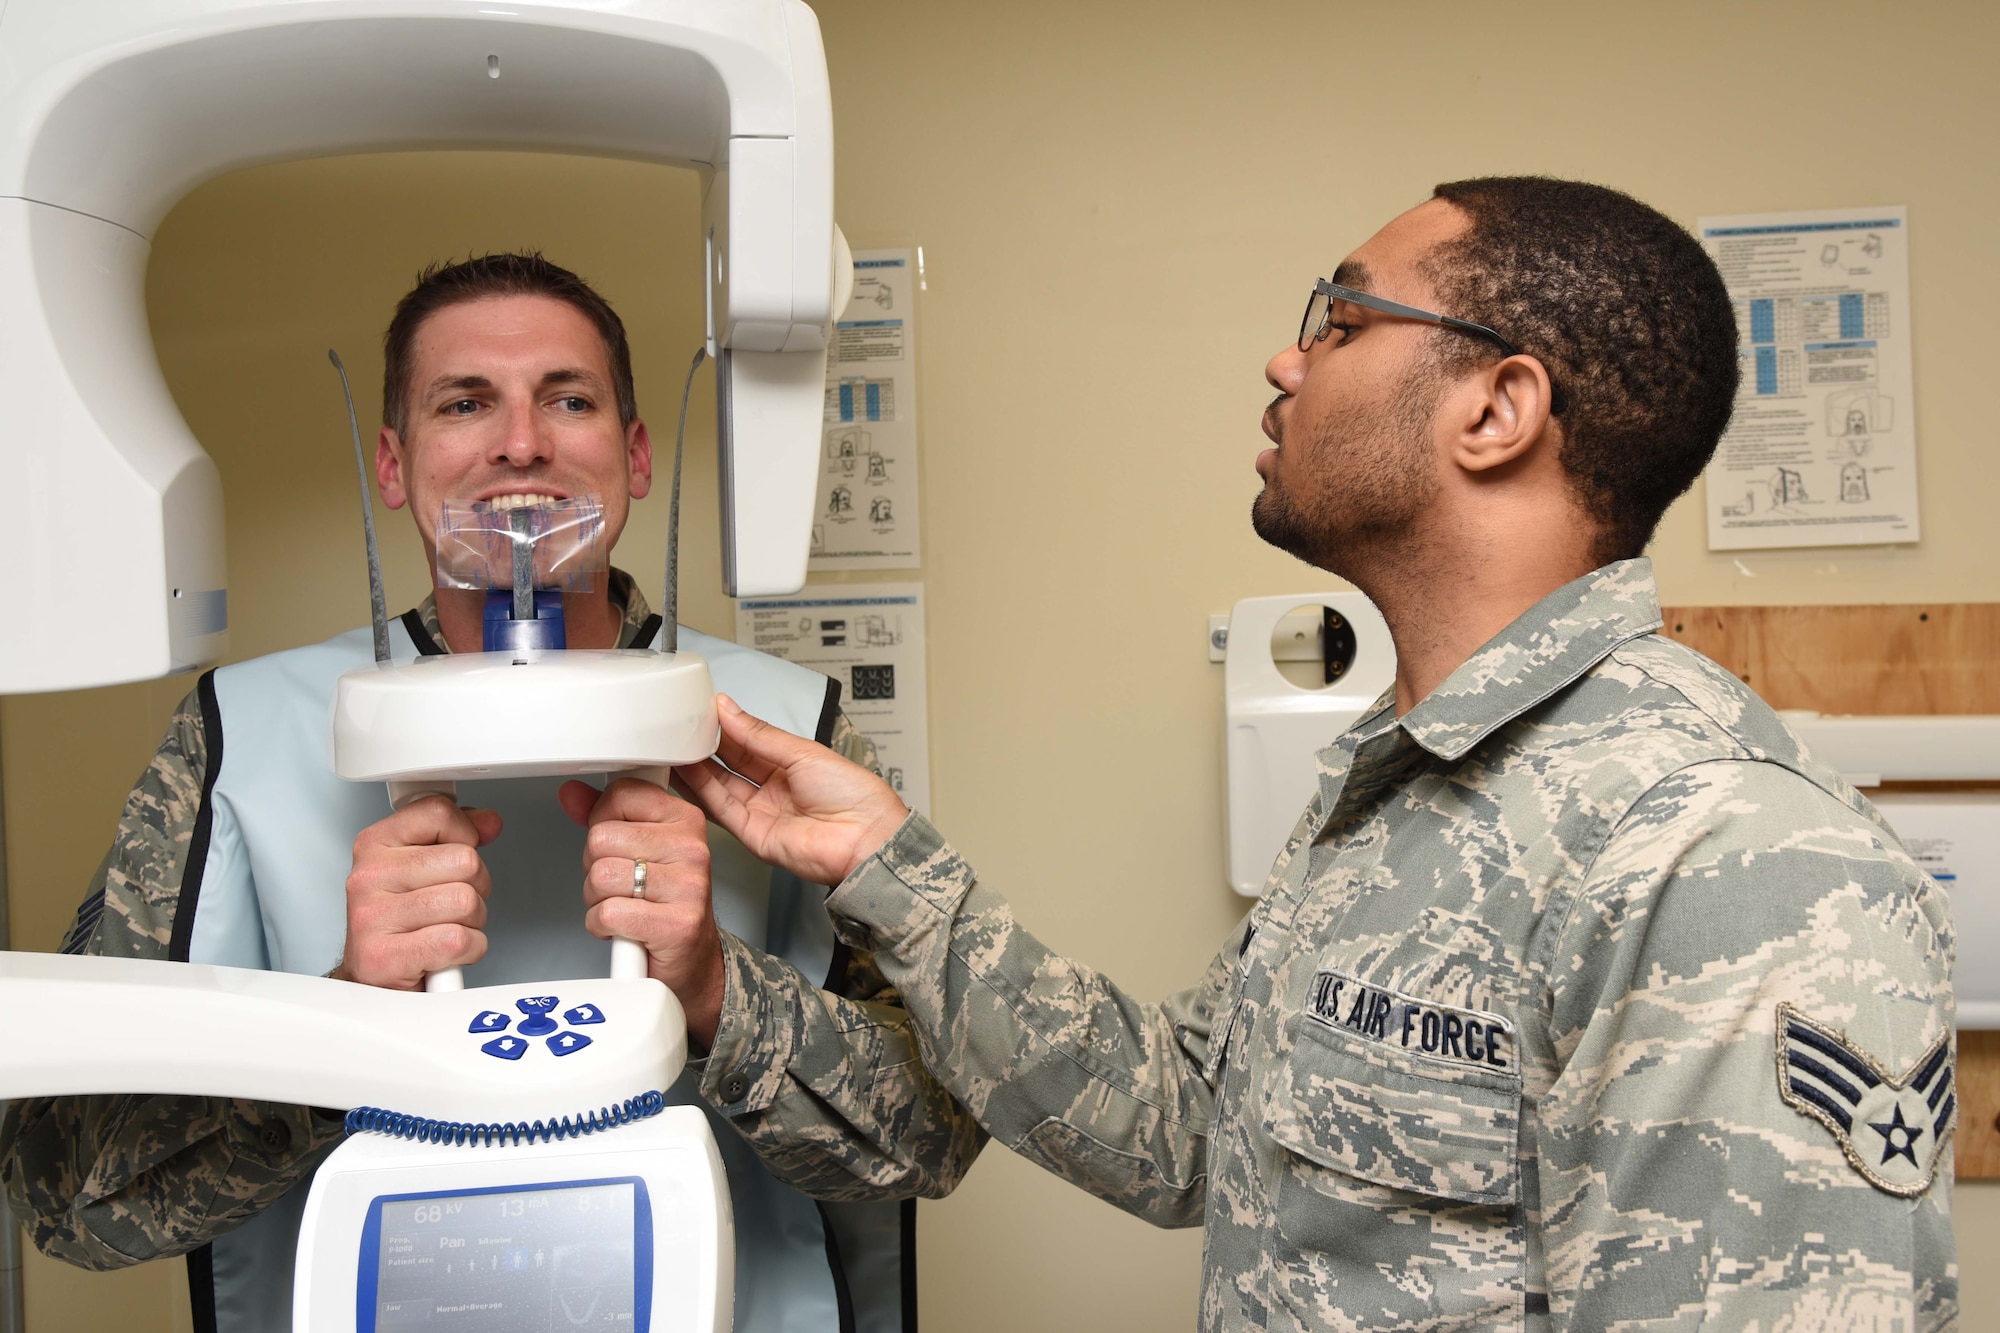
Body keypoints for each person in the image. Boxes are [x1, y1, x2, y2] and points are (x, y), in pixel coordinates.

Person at [597, 180, 1958, 1329]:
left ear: (1497, 410)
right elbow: (1183, 1124)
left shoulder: (1722, 851)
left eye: (1344, 320)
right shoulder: (1399, 785)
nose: (1286, 359)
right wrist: (886, 865)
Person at [0, 253, 982, 1333]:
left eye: (568, 398)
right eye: (465, 403)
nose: (521, 441)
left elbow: (943, 1128)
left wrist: (713, 991)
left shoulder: (783, 730)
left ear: (636, 453)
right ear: (392, 461)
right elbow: (62, 1187)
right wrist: (338, 1019)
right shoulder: (237, 739)